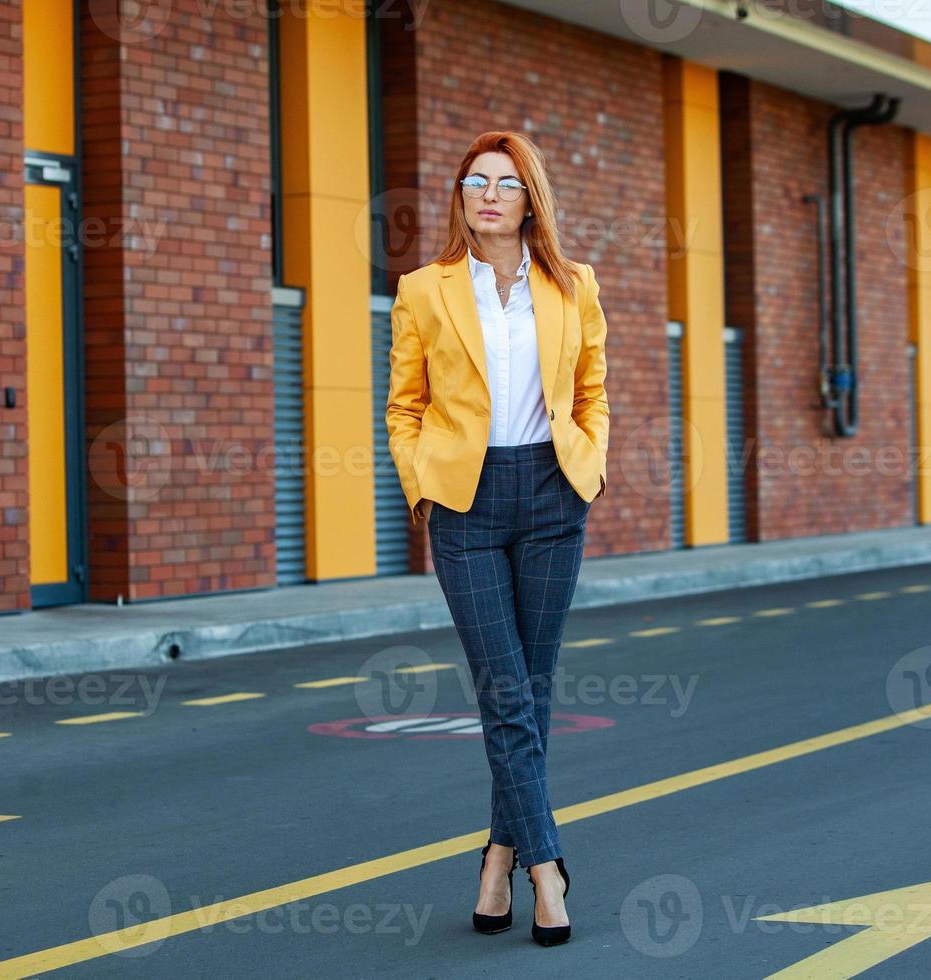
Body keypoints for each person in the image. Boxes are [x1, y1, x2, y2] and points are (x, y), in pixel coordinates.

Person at [384, 131, 609, 947]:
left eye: (506, 183)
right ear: (461, 197)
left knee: (531, 691)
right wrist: (423, 491)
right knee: (506, 691)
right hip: (467, 505)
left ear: (529, 198)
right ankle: (546, 868)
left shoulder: (572, 284)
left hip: (553, 495)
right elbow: (403, 405)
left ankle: (496, 859)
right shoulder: (424, 289)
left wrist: (591, 467)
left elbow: (593, 393)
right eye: (474, 181)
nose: (488, 195)